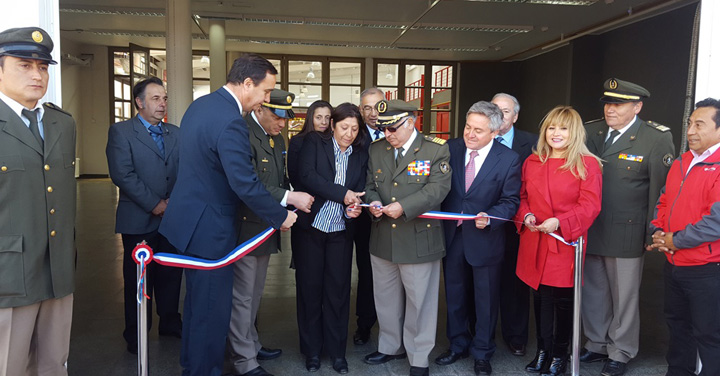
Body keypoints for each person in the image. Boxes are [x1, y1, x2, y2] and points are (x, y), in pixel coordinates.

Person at [158, 54, 297, 376]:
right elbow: (244, 182)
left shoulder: (201, 106)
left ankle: (192, 365)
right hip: (210, 229)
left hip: (189, 222)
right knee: (211, 311)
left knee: (196, 309)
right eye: (265, 91)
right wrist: (280, 216)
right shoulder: (232, 120)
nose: (266, 98)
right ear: (247, 84)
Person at [581, 78, 674, 376]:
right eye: (608, 103)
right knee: (594, 290)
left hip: (627, 230)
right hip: (591, 226)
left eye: (618, 104)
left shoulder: (655, 138)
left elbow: (660, 190)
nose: (611, 109)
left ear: (637, 106)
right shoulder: (590, 130)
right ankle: (596, 342)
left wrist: (653, 231)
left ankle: (620, 351)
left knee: (625, 296)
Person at [0, 26, 77, 375]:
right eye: (24, 65)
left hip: (57, 269)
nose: (37, 74)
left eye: (43, 67)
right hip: (8, 276)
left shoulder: (62, 123)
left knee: (53, 363)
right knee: (9, 365)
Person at [225, 89, 313, 376]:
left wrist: (291, 195)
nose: (283, 123)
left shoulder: (276, 137)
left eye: (286, 118)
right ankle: (243, 360)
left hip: (266, 227)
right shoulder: (243, 134)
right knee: (243, 296)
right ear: (260, 109)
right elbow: (250, 185)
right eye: (277, 117)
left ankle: (250, 343)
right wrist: (289, 199)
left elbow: (280, 178)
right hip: (247, 227)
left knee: (255, 292)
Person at [363, 99, 452, 376]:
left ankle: (418, 356)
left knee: (420, 302)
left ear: (411, 122)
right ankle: (390, 346)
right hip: (383, 238)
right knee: (386, 297)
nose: (387, 135)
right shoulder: (377, 149)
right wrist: (374, 204)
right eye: (383, 129)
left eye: (393, 129)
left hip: (417, 237)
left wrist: (403, 207)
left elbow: (437, 190)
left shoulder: (434, 149)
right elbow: (369, 185)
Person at [435, 101, 521, 376]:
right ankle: (457, 344)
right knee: (455, 294)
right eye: (468, 127)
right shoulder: (450, 149)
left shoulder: (508, 159)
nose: (470, 134)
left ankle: (483, 352)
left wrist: (492, 216)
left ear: (495, 132)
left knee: (485, 300)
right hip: (453, 235)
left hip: (485, 238)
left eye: (479, 131)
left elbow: (511, 200)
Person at [515, 106, 602, 376]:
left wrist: (560, 222)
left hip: (564, 242)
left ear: (574, 132)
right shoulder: (532, 161)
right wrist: (526, 214)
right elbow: (523, 197)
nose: (556, 133)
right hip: (536, 239)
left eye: (563, 128)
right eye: (551, 127)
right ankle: (542, 351)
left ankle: (559, 355)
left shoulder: (587, 164)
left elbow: (590, 205)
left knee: (562, 300)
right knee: (540, 298)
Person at [106, 77, 183, 355]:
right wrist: (155, 204)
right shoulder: (122, 132)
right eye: (155, 98)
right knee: (139, 278)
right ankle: (136, 332)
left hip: (172, 217)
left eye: (164, 98)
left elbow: (185, 171)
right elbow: (122, 174)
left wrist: (173, 203)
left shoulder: (176, 133)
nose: (162, 104)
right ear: (139, 102)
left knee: (171, 273)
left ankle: (171, 322)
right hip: (139, 219)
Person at [293, 103, 368, 374]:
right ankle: (312, 351)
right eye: (344, 127)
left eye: (354, 129)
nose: (349, 133)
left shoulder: (360, 153)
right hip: (311, 229)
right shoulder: (315, 142)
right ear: (333, 125)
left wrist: (355, 205)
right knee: (309, 291)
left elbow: (361, 189)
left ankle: (338, 353)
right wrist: (343, 194)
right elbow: (307, 176)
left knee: (338, 293)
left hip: (340, 230)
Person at [648, 98, 720, 376]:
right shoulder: (682, 161)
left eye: (699, 124)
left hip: (706, 269)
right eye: (690, 123)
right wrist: (657, 230)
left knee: (710, 335)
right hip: (674, 266)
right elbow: (664, 201)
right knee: (678, 329)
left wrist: (675, 240)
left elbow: (715, 222)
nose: (691, 130)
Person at [491, 93, 537, 357]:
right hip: (483, 222)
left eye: (505, 111)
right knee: (482, 283)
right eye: (494, 109)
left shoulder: (532, 143)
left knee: (515, 283)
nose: (499, 115)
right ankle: (479, 333)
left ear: (516, 116)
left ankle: (516, 336)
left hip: (517, 224)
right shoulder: (477, 138)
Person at [352, 87, 385, 345]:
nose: (373, 113)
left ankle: (388, 324)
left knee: (385, 274)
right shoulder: (353, 135)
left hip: (390, 214)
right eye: (367, 108)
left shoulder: (396, 132)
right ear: (360, 110)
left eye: (377, 107)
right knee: (365, 270)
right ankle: (364, 324)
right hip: (358, 214)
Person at [287, 100, 332, 190]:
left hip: (330, 194)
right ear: (310, 118)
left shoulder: (334, 141)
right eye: (318, 117)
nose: (324, 122)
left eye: (327, 118)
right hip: (304, 195)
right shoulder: (297, 141)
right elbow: (293, 175)